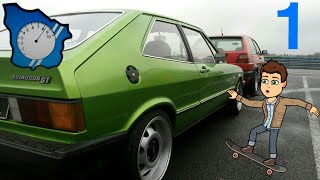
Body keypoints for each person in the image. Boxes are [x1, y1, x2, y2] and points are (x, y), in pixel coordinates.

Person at [227, 59, 319, 165]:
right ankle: (250, 148)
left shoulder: (282, 101)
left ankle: (272, 158)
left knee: (272, 142)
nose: (268, 86)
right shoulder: (264, 102)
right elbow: (250, 103)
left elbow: (297, 102)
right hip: (266, 124)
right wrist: (237, 97)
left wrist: (310, 107)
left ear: (283, 84)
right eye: (265, 81)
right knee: (253, 131)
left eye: (274, 82)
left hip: (275, 127)